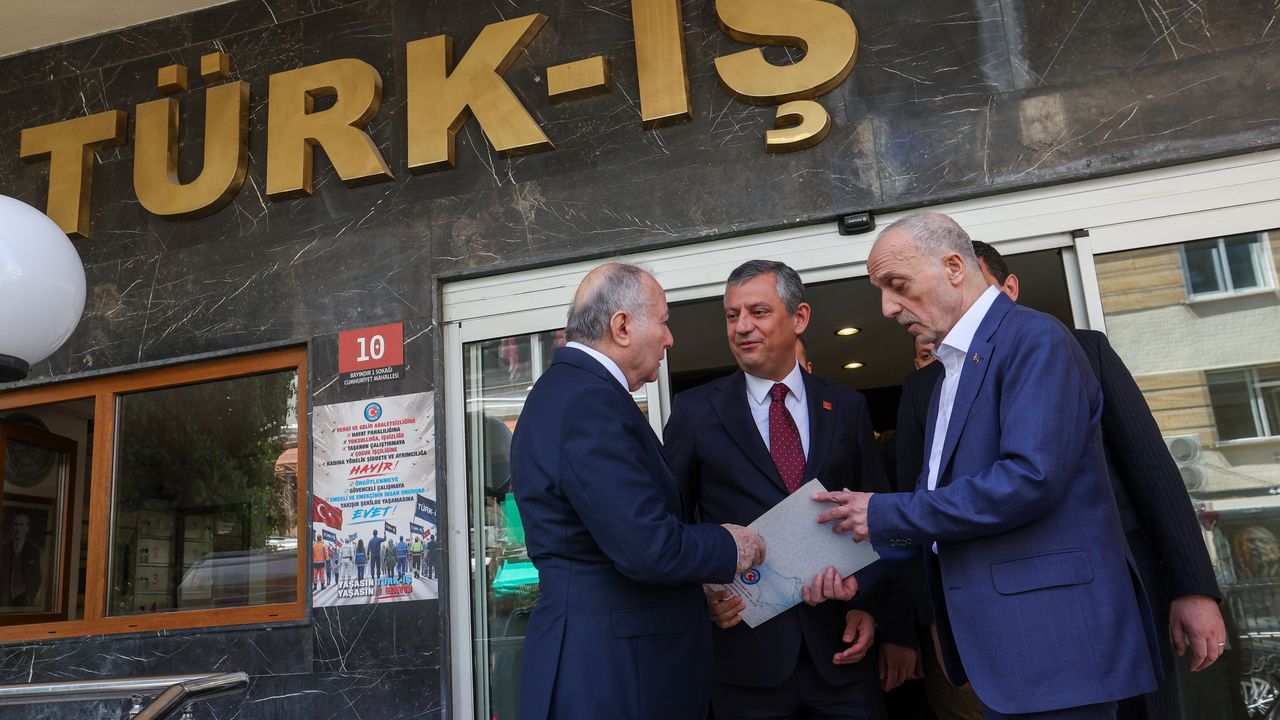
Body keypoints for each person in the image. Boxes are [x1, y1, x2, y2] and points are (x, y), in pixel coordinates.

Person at [816, 212, 1162, 719]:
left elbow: (1029, 479)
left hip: (1053, 648)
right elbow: (939, 508)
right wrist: (862, 581)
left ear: (954, 267)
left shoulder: (1034, 339)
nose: (887, 308)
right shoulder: (950, 370)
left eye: (897, 285)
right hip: (1003, 652)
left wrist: (882, 513)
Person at [964, 239, 1225, 717]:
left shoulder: (1085, 349)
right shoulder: (941, 379)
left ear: (1010, 288)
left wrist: (1194, 588)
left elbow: (1153, 471)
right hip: (1019, 613)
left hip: (1124, 585)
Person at [511, 262, 765, 720]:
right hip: (613, 674)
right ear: (622, 326)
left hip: (601, 663)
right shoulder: (588, 400)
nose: (670, 339)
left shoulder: (570, 391)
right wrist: (730, 544)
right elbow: (647, 546)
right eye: (664, 322)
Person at [664, 259, 907, 720]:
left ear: (800, 318)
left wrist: (868, 606)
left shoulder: (847, 406)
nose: (742, 327)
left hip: (841, 653)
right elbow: (669, 525)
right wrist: (702, 595)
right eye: (732, 315)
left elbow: (882, 520)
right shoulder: (694, 412)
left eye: (758, 312)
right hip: (744, 659)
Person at [0, 513, 43, 607]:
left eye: (22, 525)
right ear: (12, 527)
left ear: (27, 528)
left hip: (23, 596)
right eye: (16, 524)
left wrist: (30, 596)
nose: (18, 528)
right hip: (4, 596)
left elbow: (37, 577)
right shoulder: (3, 549)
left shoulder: (33, 551)